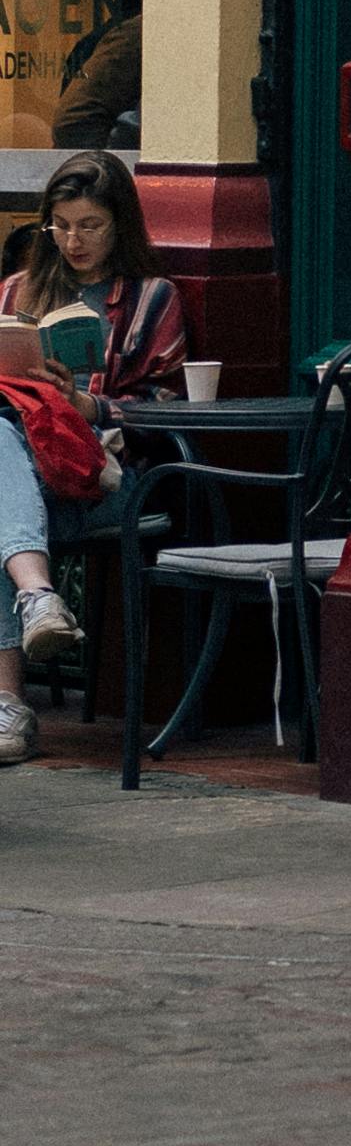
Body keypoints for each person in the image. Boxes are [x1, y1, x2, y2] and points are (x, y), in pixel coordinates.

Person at [0, 154, 180, 759]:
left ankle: (9, 707)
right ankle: (37, 596)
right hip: (29, 477)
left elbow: (164, 408)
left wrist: (87, 405)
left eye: (90, 225)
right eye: (60, 225)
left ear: (119, 225)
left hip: (106, 479)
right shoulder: (15, 293)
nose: (73, 241)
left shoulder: (153, 299)